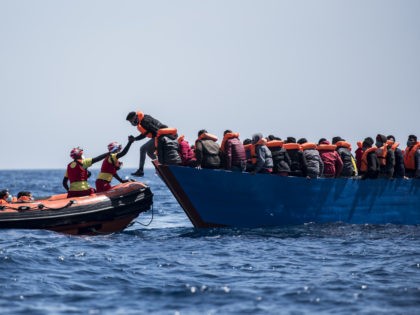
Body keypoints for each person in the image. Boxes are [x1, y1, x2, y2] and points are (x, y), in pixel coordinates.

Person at [126, 111, 168, 177]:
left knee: (143, 148)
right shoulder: (143, 120)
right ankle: (160, 166)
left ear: (135, 117)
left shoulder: (145, 121)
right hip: (159, 136)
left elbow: (154, 130)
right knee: (149, 152)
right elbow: (145, 133)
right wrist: (134, 139)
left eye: (131, 121)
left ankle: (141, 170)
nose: (132, 123)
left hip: (161, 136)